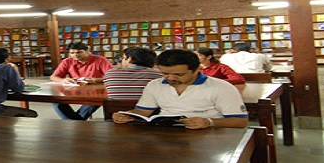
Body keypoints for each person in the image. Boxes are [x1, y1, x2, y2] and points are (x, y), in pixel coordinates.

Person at [112, 49, 248, 129]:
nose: (170, 78)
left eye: (179, 74)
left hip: (207, 134)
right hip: (165, 133)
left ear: (196, 70)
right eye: (165, 73)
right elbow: (143, 111)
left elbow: (241, 121)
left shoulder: (221, 87)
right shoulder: (155, 85)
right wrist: (127, 115)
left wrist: (209, 122)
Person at [49, 42, 113, 120]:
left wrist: (96, 80)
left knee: (94, 101)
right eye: (72, 53)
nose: (75, 55)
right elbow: (53, 77)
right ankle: (76, 123)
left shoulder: (100, 60)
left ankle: (73, 124)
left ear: (87, 51)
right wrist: (63, 80)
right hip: (75, 89)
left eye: (79, 52)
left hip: (97, 91)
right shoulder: (67, 61)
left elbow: (112, 76)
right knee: (57, 101)